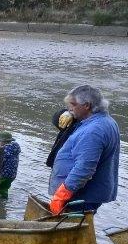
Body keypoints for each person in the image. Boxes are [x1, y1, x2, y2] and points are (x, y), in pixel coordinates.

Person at [49, 85, 120, 215]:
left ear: (86, 105)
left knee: (71, 227)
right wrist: (68, 113)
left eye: (73, 105)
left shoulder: (94, 130)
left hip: (81, 196)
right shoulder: (104, 120)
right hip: (86, 194)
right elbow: (57, 119)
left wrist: (61, 196)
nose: (70, 109)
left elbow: (84, 169)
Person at [0, 131, 20, 198]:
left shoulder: (4, 150)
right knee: (4, 189)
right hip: (12, 175)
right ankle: (3, 201)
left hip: (5, 175)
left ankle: (0, 202)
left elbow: (0, 163)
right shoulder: (15, 147)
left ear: (3, 141)